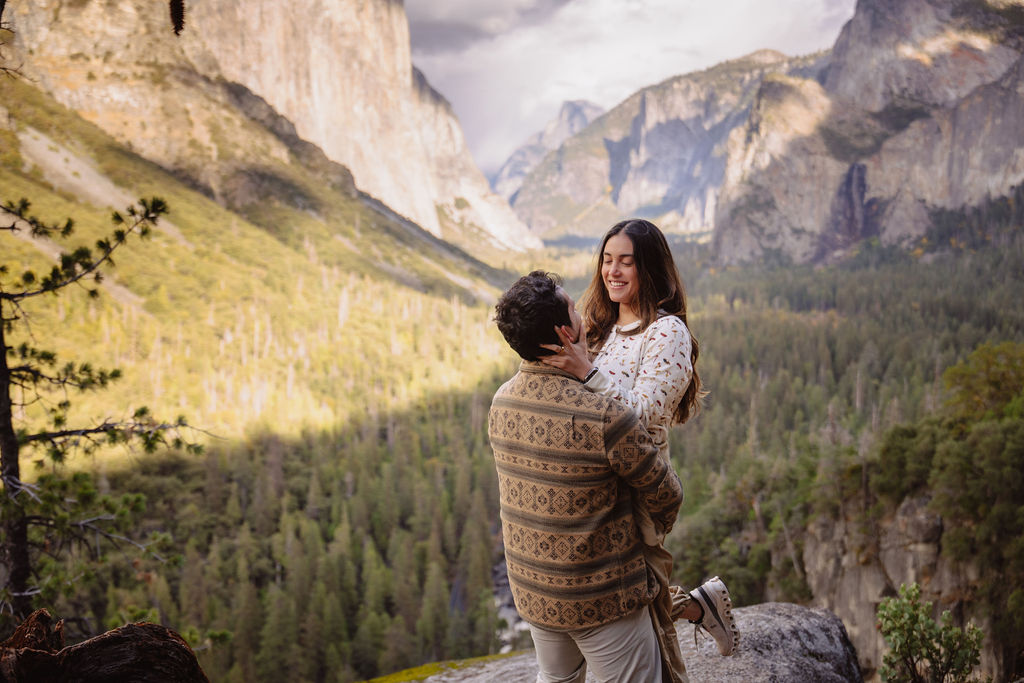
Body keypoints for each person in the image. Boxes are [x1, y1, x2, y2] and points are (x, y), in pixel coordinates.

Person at [540, 219, 740, 670]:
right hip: (595, 485)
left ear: (648, 268)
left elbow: (644, 414)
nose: (613, 271)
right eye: (607, 260)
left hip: (638, 485)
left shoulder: (666, 333)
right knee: (625, 596)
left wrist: (585, 373)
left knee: (630, 601)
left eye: (625, 262)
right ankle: (700, 604)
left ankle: (686, 629)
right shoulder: (601, 326)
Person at [489, 270, 683, 683]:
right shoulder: (605, 415)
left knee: (557, 679)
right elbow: (667, 494)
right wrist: (641, 540)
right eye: (574, 308)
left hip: (534, 591)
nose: (583, 312)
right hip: (603, 599)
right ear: (564, 331)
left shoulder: (501, 402)